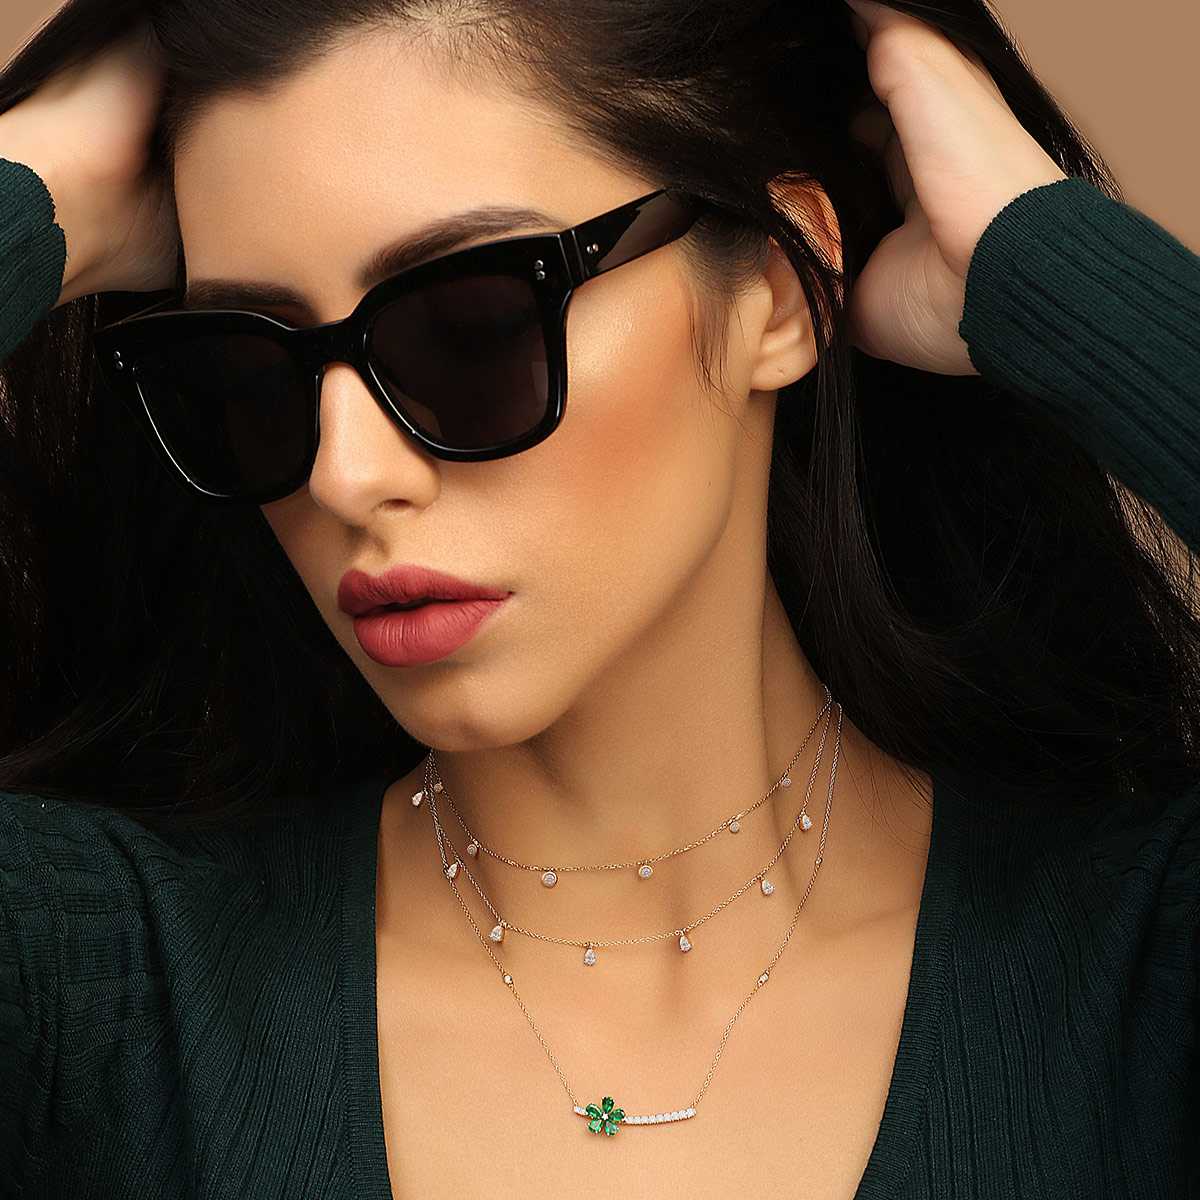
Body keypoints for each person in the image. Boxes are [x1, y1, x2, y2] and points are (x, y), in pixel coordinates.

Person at [0, 0, 1197, 1195]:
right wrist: (39, 185)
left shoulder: (1140, 973)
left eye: (470, 329)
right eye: (249, 370)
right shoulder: (92, 996)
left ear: (779, 289)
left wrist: (1044, 265)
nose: (345, 475)